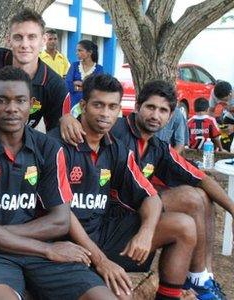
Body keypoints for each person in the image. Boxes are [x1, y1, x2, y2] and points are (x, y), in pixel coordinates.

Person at [0, 66, 113, 299]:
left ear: (31, 104)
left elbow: (60, 221)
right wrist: (48, 249)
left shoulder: (49, 147)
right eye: (1, 100)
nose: (12, 109)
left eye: (20, 100)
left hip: (33, 249)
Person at [50, 74, 197, 299]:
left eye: (112, 107)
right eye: (98, 105)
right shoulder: (57, 144)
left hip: (102, 231)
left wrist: (146, 233)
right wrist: (102, 261)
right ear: (83, 106)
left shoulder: (115, 147)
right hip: (67, 243)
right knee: (121, 296)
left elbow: (151, 195)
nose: (105, 114)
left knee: (183, 225)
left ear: (120, 109)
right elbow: (62, 213)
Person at [107, 81, 233, 298]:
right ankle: (198, 279)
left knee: (200, 194)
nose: (155, 115)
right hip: (107, 221)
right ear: (137, 106)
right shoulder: (114, 130)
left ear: (171, 115)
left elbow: (201, 178)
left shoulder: (158, 147)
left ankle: (200, 278)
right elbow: (84, 123)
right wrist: (67, 119)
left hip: (133, 213)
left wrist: (232, 209)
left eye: (163, 110)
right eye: (150, 107)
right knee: (190, 198)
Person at [65, 40, 104, 109]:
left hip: (91, 104)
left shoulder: (99, 69)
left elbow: (98, 88)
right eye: (77, 51)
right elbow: (67, 85)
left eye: (80, 50)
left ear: (89, 52)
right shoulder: (74, 66)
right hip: (73, 103)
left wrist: (79, 83)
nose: (77, 53)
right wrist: (85, 86)